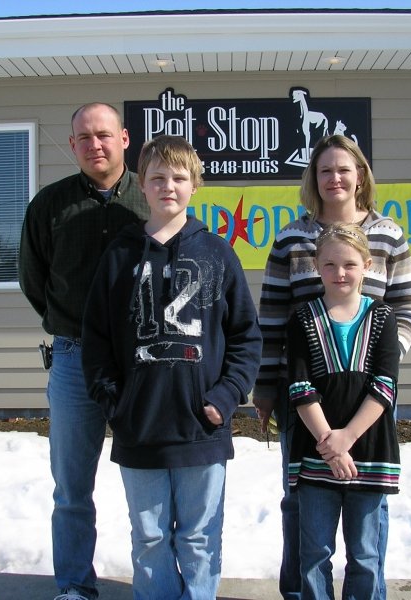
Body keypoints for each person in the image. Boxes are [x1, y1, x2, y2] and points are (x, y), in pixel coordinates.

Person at [81, 135, 262, 600]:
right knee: (150, 537)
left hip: (202, 427)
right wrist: (115, 402)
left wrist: (226, 397)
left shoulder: (218, 253)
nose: (168, 186)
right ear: (141, 184)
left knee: (199, 536)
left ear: (195, 186)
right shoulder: (119, 255)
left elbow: (246, 336)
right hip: (139, 426)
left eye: (179, 177)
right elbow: (96, 340)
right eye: (158, 177)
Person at [254, 134, 411, 599]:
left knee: (369, 509)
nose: (335, 178)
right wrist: (265, 386)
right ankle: (300, 592)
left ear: (360, 175)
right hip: (303, 394)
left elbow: (408, 307)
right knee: (302, 501)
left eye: (344, 169)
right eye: (325, 170)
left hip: (370, 396)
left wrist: (377, 357)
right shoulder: (292, 237)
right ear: (314, 178)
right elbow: (273, 315)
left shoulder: (388, 235)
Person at [19, 102, 149, 600]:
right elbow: (34, 281)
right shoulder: (50, 205)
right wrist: (71, 324)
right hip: (73, 360)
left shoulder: (151, 197)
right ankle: (75, 585)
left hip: (142, 362)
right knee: (72, 488)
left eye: (104, 134)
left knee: (149, 484)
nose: (95, 144)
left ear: (124, 138)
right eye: (84, 137)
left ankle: (155, 584)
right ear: (72, 144)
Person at [286, 223, 401, 600]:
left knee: (365, 554)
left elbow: (385, 385)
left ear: (367, 266)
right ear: (316, 266)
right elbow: (300, 387)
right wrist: (330, 445)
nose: (340, 273)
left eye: (350, 264)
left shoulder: (383, 316)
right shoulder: (303, 318)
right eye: (330, 264)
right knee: (314, 554)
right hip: (315, 452)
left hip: (369, 452)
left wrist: (346, 439)